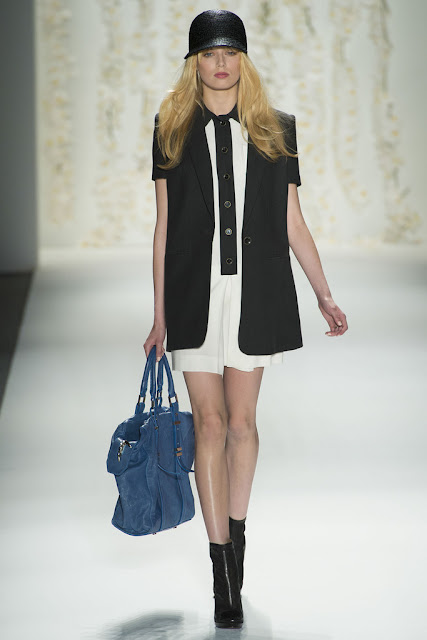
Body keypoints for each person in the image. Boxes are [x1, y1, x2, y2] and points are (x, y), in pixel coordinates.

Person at [144, 9, 348, 630]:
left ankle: (236, 549)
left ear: (244, 60)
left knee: (241, 424)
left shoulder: (276, 129)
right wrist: (158, 317)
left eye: (230, 52)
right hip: (193, 296)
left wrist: (323, 293)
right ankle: (222, 578)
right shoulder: (170, 128)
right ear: (194, 63)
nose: (221, 64)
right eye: (209, 54)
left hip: (253, 293)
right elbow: (164, 228)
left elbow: (292, 219)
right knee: (207, 424)